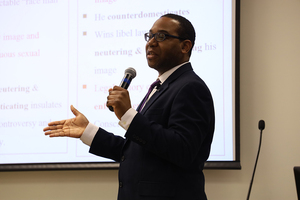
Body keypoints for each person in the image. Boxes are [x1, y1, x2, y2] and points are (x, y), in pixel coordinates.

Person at [44, 13, 215, 200]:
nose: (151, 43)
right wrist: (88, 132)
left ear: (185, 46)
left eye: (161, 36)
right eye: (150, 36)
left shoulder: (191, 87)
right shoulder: (162, 87)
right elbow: (136, 151)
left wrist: (129, 115)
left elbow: (182, 151)